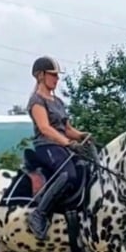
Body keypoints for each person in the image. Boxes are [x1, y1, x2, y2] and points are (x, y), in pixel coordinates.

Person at [26, 56, 90, 240]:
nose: (57, 79)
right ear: (40, 76)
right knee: (67, 174)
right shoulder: (36, 100)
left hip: (62, 146)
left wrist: (82, 136)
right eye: (53, 75)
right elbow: (45, 128)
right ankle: (38, 215)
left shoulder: (58, 102)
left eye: (57, 75)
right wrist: (68, 143)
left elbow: (68, 129)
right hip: (46, 146)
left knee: (86, 168)